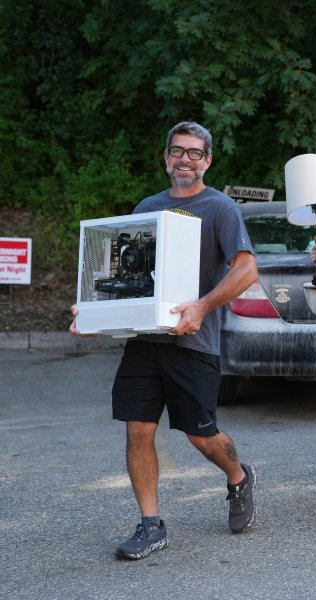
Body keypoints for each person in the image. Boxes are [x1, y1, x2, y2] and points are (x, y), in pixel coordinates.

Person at [70, 121, 259, 560]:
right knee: (138, 431)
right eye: (178, 151)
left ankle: (237, 475)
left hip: (193, 341)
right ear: (166, 156)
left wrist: (200, 307)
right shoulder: (148, 207)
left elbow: (246, 270)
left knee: (200, 435)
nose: (185, 160)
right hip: (145, 341)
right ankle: (151, 524)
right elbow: (128, 275)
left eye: (195, 153)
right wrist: (94, 309)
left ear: (207, 161)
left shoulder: (221, 208)